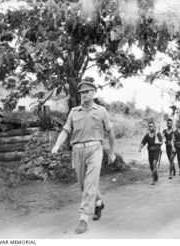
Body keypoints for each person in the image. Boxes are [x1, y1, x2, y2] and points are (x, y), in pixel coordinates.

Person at [51, 79, 116, 234]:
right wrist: (57, 145)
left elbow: (110, 131)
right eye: (81, 92)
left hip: (95, 149)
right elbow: (66, 131)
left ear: (93, 93)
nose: (83, 94)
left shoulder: (101, 111)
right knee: (83, 185)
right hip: (78, 151)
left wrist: (112, 152)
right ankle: (99, 202)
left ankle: (83, 219)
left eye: (87, 92)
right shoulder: (74, 112)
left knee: (89, 184)